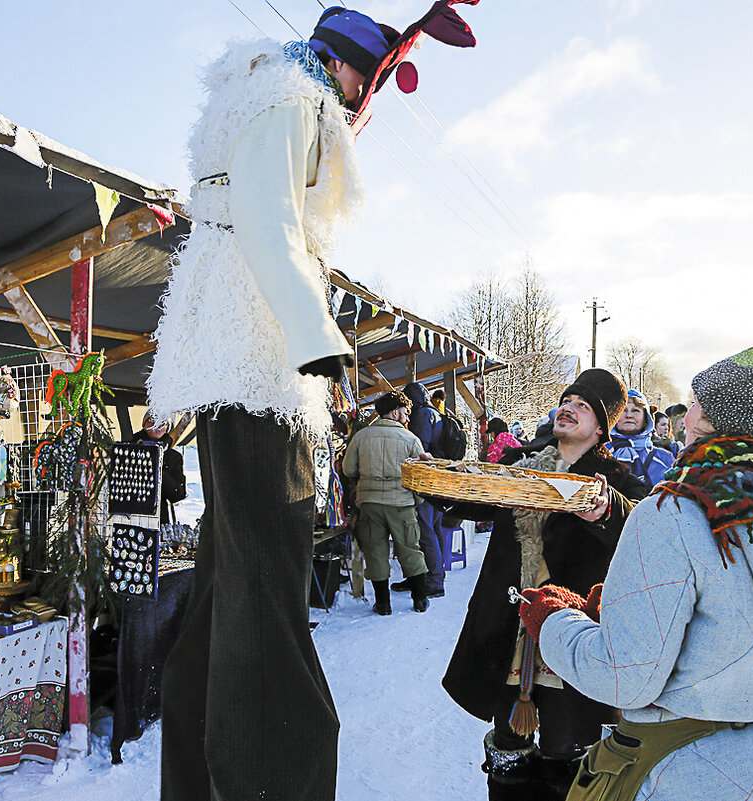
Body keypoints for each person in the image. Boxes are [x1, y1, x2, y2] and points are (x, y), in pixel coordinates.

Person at [146, 6, 478, 798]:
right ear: (344, 70)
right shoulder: (295, 98)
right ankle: (273, 781)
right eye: (366, 86)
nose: (364, 106)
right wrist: (319, 341)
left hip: (232, 367)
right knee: (265, 596)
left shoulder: (258, 93)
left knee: (232, 589)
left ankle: (199, 778)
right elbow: (270, 220)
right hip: (262, 368)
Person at [517, 342, 753, 801]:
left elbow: (624, 676)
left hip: (686, 773)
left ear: (708, 420)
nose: (686, 412)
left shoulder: (673, 510)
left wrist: (556, 622)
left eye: (697, 399)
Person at [441, 369, 648, 801]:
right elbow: (471, 492)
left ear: (601, 426)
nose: (569, 408)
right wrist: (440, 481)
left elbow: (641, 526)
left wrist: (606, 508)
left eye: (583, 406)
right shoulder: (521, 464)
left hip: (571, 631)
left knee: (565, 746)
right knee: (508, 747)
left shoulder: (615, 481)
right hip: (509, 626)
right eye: (567, 400)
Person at [341, 391, 433, 615]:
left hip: (370, 503)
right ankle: (420, 600)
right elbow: (421, 475)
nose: (407, 417)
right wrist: (415, 500)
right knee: (410, 549)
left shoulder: (361, 437)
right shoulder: (410, 439)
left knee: (375, 551)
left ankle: (383, 604)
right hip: (401, 503)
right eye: (405, 412)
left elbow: (348, 469)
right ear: (395, 412)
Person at [399, 381, 448, 597]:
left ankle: (434, 581)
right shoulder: (435, 412)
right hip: (437, 480)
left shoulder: (421, 415)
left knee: (425, 531)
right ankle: (432, 575)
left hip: (426, 481)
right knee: (434, 529)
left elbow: (420, 450)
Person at [129, 412, 188, 525]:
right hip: (129, 514)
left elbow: (178, 494)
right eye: (152, 421)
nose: (157, 426)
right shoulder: (129, 449)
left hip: (158, 518)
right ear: (144, 425)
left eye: (162, 423)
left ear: (167, 428)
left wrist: (159, 470)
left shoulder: (174, 457)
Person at [609, 388, 675, 487]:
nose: (629, 415)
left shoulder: (665, 458)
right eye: (623, 410)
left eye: (635, 411)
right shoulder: (602, 452)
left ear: (646, 418)